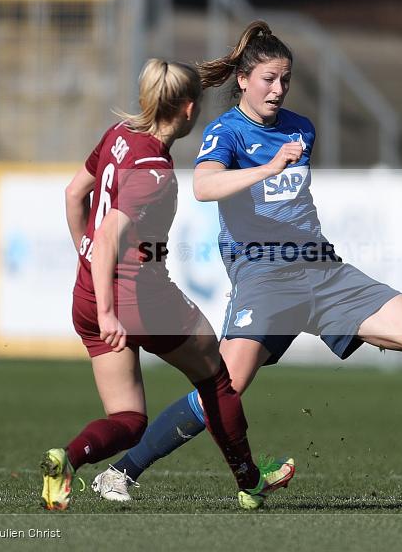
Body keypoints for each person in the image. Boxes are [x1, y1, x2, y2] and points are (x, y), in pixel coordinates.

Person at [92, 22, 402, 502]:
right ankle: (121, 472)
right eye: (268, 79)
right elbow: (204, 186)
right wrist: (268, 166)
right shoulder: (225, 133)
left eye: (285, 80)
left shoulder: (301, 128)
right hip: (266, 279)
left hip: (325, 273)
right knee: (223, 386)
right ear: (243, 80)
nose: (278, 89)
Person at [41, 58, 294, 511]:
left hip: (87, 293)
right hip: (138, 299)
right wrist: (108, 308)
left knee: (128, 420)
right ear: (188, 108)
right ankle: (250, 480)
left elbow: (74, 194)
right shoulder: (153, 173)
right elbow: (108, 237)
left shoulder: (118, 137)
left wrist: (87, 266)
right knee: (216, 378)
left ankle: (68, 458)